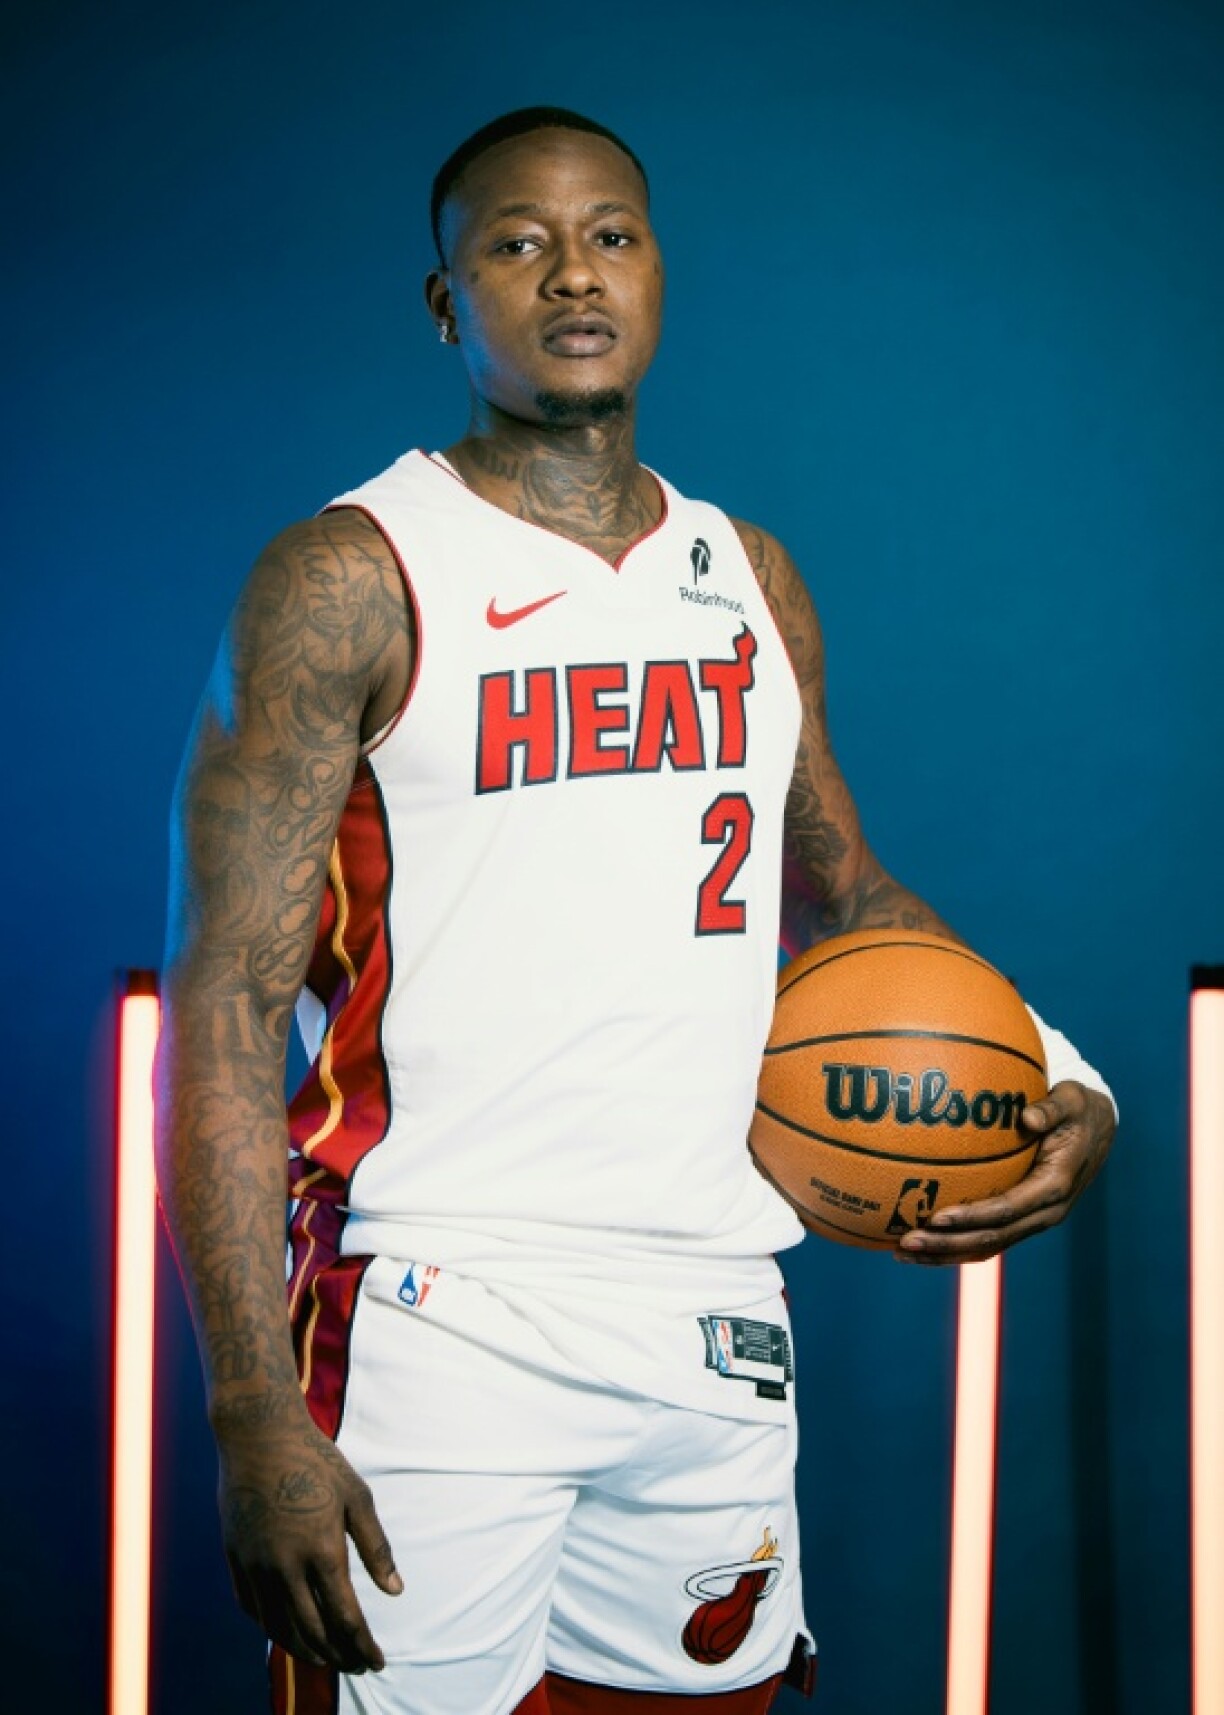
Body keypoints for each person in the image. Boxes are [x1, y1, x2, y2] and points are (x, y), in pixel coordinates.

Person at [155, 107, 1117, 1715]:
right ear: (447, 304)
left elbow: (846, 893)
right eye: (517, 244)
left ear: (658, 270)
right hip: (438, 1307)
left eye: (610, 234)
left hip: (710, 1316)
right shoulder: (351, 574)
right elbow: (228, 1005)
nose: (573, 273)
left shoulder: (748, 573)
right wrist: (252, 1410)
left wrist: (1056, 1071)